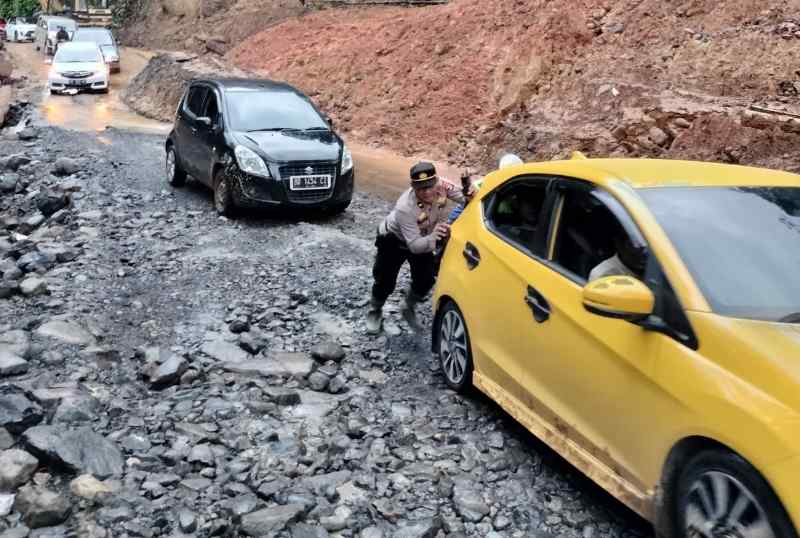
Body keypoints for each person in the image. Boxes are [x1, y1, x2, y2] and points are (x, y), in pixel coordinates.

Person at [367, 162, 466, 334]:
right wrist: (434, 236)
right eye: (421, 188)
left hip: (424, 235)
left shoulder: (443, 185)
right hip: (394, 240)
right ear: (413, 187)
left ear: (436, 181)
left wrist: (468, 189)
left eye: (430, 186)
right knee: (385, 280)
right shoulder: (405, 207)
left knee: (426, 279)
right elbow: (414, 246)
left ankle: (408, 306)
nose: (427, 192)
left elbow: (466, 198)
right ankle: (375, 310)